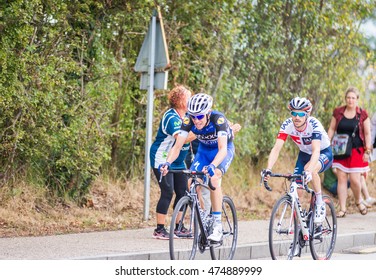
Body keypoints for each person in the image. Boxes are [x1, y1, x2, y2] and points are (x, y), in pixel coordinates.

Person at [160, 93, 235, 242]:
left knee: (213, 178)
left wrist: (213, 166)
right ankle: (203, 217)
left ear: (208, 113)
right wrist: (167, 162)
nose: (196, 120)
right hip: (203, 152)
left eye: (200, 117)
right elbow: (177, 146)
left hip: (222, 151)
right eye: (193, 116)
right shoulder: (188, 120)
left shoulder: (218, 119)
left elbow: (222, 149)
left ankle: (217, 225)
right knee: (190, 183)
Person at [261, 97, 333, 224]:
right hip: (304, 154)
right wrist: (268, 169)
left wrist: (309, 170)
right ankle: (300, 230)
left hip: (323, 152)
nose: (297, 117)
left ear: (307, 114)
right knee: (297, 189)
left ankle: (320, 203)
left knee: (310, 170)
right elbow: (276, 148)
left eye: (300, 114)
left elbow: (316, 150)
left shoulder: (314, 124)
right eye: (294, 113)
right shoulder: (287, 125)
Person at [149, 85, 195, 239]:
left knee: (183, 192)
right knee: (168, 191)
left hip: (179, 160)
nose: (192, 99)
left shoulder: (188, 116)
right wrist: (198, 131)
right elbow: (183, 139)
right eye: (189, 97)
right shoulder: (171, 117)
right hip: (162, 157)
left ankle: (178, 227)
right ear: (181, 101)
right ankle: (159, 229)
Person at [327, 86, 372, 218]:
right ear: (345, 98)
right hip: (340, 150)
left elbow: (368, 133)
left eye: (353, 98)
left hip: (357, 150)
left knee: (355, 180)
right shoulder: (338, 112)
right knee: (341, 178)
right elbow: (331, 129)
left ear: (357, 99)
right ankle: (342, 208)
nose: (350, 100)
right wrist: (327, 142)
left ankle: (358, 200)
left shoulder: (362, 114)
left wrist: (367, 150)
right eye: (348, 97)